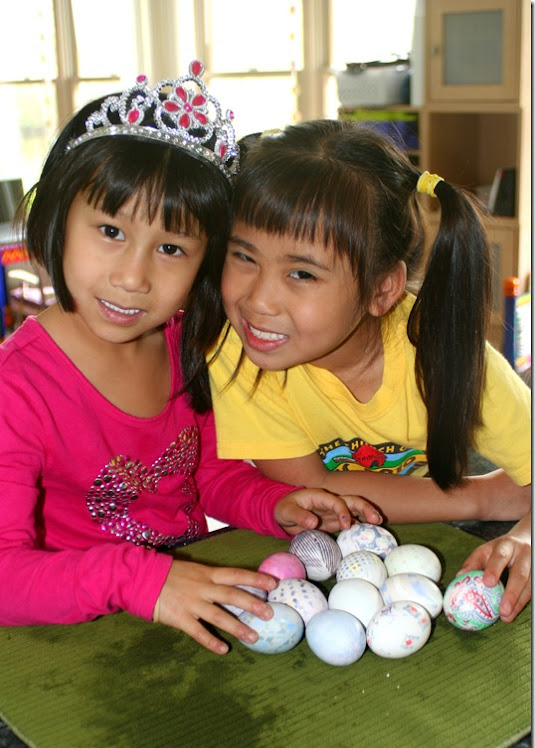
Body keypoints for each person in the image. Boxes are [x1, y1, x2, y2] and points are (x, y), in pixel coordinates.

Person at [0, 69, 380, 654]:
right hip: (71, 640)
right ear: (57, 217)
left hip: (185, 603)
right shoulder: (16, 388)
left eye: (171, 248)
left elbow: (208, 475)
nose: (133, 277)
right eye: (110, 230)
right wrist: (142, 581)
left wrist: (273, 505)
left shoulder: (185, 344)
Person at [208, 120, 531, 623]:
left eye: (302, 273)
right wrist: (483, 497)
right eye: (243, 256)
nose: (258, 300)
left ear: (382, 290)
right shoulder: (238, 350)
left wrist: (525, 534)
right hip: (438, 500)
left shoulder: (452, 358)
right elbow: (312, 489)